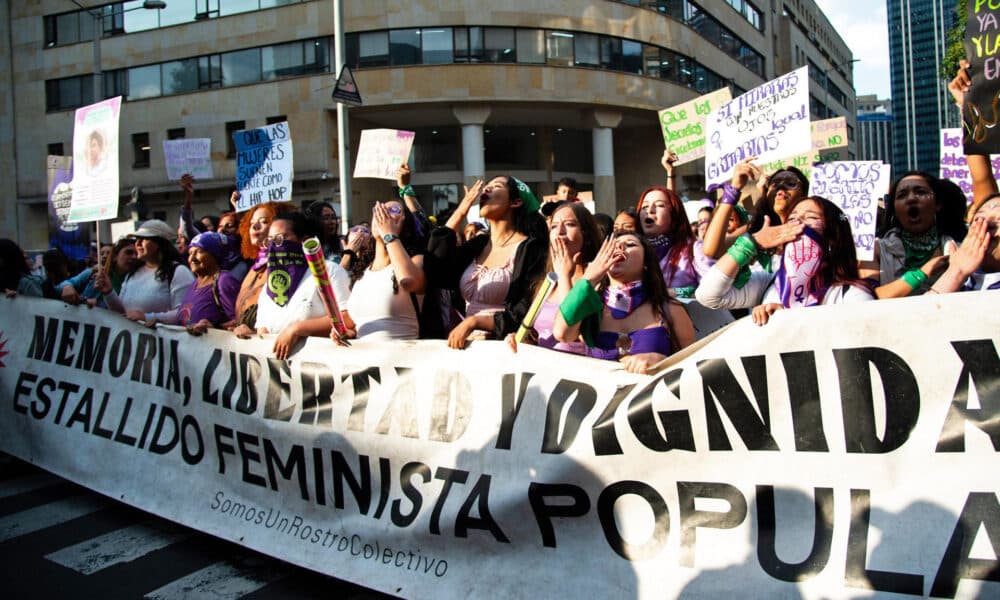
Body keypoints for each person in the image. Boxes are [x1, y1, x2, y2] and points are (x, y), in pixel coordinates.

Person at [695, 196, 873, 325]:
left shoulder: (850, 294)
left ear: (833, 236)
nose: (798, 224)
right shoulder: (770, 282)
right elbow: (708, 295)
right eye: (793, 219)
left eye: (811, 218)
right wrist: (751, 243)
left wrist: (791, 321)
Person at [426, 175, 547, 348]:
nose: (486, 189)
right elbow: (434, 269)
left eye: (496, 186)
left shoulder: (532, 249)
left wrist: (474, 322)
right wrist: (461, 211)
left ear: (516, 202)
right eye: (486, 186)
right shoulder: (477, 245)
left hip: (504, 349)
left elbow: (524, 311)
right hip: (467, 348)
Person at [554, 231, 695, 374]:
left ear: (646, 262)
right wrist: (590, 277)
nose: (619, 248)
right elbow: (562, 334)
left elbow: (694, 364)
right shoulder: (592, 305)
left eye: (630, 244)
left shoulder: (668, 308)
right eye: (612, 246)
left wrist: (659, 360)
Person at [508, 201, 603, 355]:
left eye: (570, 224)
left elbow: (568, 332)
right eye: (554, 226)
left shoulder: (597, 280)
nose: (560, 231)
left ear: (586, 233)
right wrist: (523, 340)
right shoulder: (546, 282)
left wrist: (565, 275)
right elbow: (537, 334)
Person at [252, 213, 351, 360]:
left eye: (281, 239)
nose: (275, 246)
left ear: (304, 240)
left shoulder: (329, 271)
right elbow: (263, 332)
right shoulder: (269, 288)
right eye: (270, 241)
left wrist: (297, 329)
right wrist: (247, 334)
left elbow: (347, 318)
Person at [858, 172, 967, 298]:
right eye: (902, 195)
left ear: (938, 204)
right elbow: (869, 298)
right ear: (894, 208)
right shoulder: (874, 250)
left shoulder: (958, 249)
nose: (911, 199)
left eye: (920, 192)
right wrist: (921, 273)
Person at [339, 199, 427, 341]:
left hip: (402, 359)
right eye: (378, 211)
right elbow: (353, 321)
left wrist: (390, 235)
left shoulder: (416, 261)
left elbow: (408, 281)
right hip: (365, 361)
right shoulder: (363, 271)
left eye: (393, 211)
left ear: (406, 224)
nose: (383, 215)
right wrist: (346, 332)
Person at [96, 219, 195, 322]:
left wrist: (147, 317)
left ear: (159, 244)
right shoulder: (132, 273)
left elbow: (184, 313)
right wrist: (109, 293)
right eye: (137, 239)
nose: (137, 244)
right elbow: (123, 313)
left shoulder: (179, 272)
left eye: (143, 239)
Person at [230, 200, 296, 332]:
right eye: (252, 223)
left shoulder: (286, 265)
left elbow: (287, 317)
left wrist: (254, 332)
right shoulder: (255, 267)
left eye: (264, 221)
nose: (255, 227)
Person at [636, 185, 713, 297]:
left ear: (674, 214)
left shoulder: (693, 248)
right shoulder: (634, 251)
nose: (650, 211)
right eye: (644, 206)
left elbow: (713, 291)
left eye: (659, 205)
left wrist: (674, 293)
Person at [925, 195, 1000, 293]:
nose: (986, 224)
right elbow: (926, 308)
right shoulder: (958, 280)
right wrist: (956, 272)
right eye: (978, 219)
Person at [170, 232, 243, 331]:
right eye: (190, 253)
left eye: (199, 252)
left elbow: (240, 322)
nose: (192, 258)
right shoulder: (194, 284)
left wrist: (214, 327)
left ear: (214, 255)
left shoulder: (224, 281)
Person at [59, 237, 137, 308]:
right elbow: (63, 285)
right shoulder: (94, 272)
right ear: (115, 257)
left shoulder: (134, 281)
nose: (134, 257)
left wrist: (96, 303)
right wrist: (66, 287)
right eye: (128, 253)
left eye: (136, 254)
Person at [339, 222, 375, 287]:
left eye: (365, 231)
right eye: (355, 230)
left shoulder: (374, 263)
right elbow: (336, 280)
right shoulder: (336, 262)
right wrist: (348, 253)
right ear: (346, 242)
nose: (360, 232)